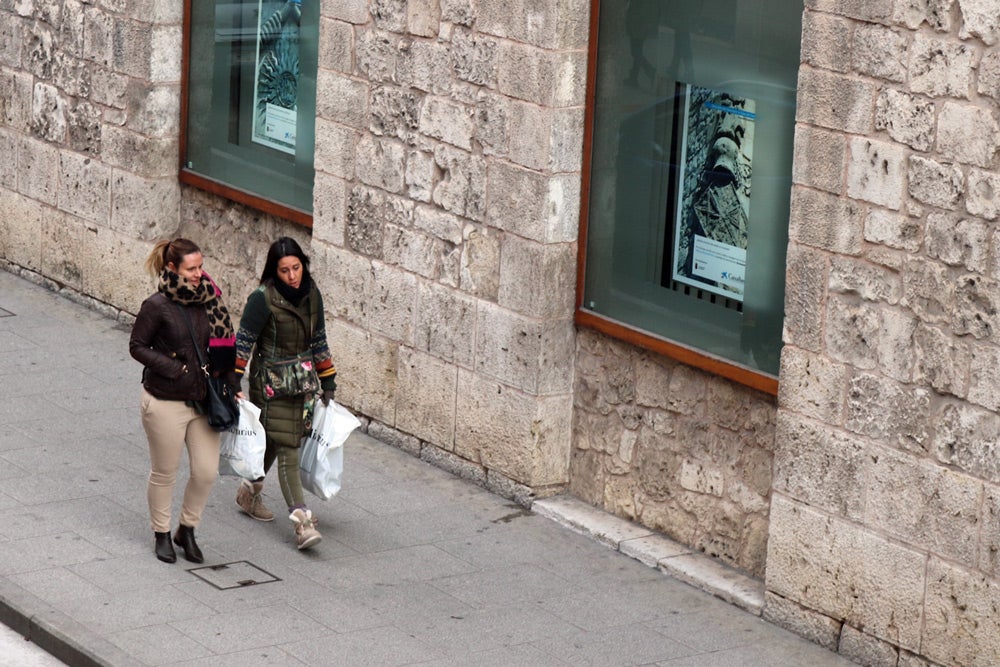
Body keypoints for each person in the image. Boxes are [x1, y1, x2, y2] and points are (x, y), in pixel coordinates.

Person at [129, 238, 239, 564]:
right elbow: (137, 346)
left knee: (206, 472)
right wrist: (175, 368)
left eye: (201, 266)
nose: (198, 274)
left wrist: (233, 384)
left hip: (204, 400)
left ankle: (186, 529)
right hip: (166, 399)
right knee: (165, 471)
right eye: (191, 268)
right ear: (172, 268)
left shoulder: (210, 300)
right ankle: (161, 533)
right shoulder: (156, 305)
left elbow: (223, 348)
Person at [234, 237, 337, 550]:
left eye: (296, 268)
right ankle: (301, 521)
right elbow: (244, 342)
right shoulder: (262, 298)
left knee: (277, 441)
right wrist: (233, 382)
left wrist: (328, 380)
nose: (292, 276)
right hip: (270, 385)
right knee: (288, 444)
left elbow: (318, 339)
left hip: (303, 384)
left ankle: (248, 492)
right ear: (273, 272)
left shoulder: (312, 295)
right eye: (284, 270)